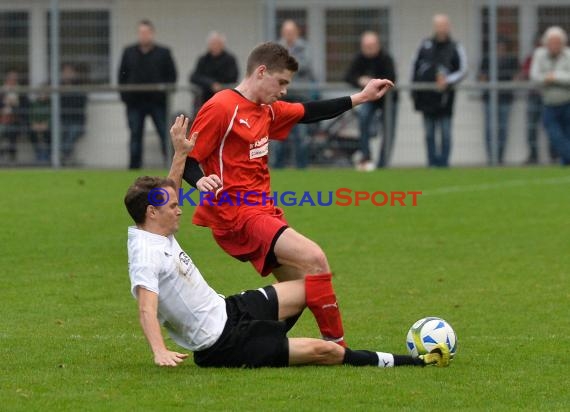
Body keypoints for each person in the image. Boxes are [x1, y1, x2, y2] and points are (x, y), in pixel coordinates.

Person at [124, 114, 450, 369]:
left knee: (314, 287)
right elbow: (145, 308)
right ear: (152, 213)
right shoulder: (146, 254)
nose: (179, 208)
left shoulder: (155, 227)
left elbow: (170, 188)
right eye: (171, 207)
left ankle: (272, 339)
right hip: (222, 343)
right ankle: (415, 361)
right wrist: (160, 351)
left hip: (229, 309)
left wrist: (181, 153)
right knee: (326, 351)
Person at [182, 42, 394, 348]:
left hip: (263, 212)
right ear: (261, 72)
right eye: (281, 82)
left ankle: (249, 340)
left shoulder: (266, 110)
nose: (283, 91)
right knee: (316, 259)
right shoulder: (221, 107)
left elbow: (309, 111)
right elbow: (188, 157)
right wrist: (200, 181)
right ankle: (338, 348)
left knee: (304, 288)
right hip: (237, 214)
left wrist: (360, 97)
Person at [118, 19, 177, 169]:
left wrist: (165, 94)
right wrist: (125, 97)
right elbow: (121, 76)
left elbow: (172, 76)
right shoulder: (129, 52)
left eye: (146, 32)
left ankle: (173, 167)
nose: (143, 35)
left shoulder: (164, 53)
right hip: (135, 102)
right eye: (141, 32)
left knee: (165, 134)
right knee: (135, 136)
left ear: (152, 33)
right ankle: (134, 168)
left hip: (157, 102)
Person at [411, 14, 468, 168]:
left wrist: (447, 80)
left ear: (448, 26)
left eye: (444, 25)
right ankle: (432, 164)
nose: (441, 28)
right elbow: (414, 67)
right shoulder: (425, 45)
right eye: (438, 25)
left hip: (445, 99)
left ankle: (444, 164)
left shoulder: (455, 46)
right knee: (429, 134)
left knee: (446, 133)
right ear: (434, 27)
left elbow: (463, 70)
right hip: (426, 98)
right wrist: (415, 91)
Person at [345, 31, 397, 171]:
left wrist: (374, 82)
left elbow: (391, 77)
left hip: (387, 100)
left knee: (388, 130)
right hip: (369, 98)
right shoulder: (359, 58)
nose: (369, 49)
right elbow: (348, 75)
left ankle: (383, 164)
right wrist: (360, 80)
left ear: (378, 45)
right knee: (363, 118)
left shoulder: (386, 58)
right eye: (366, 46)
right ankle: (366, 157)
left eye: (371, 46)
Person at [272, 19, 315, 169]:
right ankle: (277, 168)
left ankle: (302, 167)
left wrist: (284, 65)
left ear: (297, 32)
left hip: (300, 97)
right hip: (280, 96)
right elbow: (273, 67)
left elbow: (304, 65)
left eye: (291, 32)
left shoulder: (305, 48)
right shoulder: (276, 47)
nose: (288, 35)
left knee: (300, 135)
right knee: (277, 135)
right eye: (286, 32)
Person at [530, 26, 570, 166]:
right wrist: (549, 78)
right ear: (546, 43)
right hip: (549, 103)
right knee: (554, 135)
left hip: (567, 102)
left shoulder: (568, 55)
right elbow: (535, 77)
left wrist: (554, 77)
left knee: (567, 134)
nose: (554, 46)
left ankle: (566, 163)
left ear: (563, 43)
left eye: (557, 42)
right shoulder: (539, 54)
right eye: (551, 43)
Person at [478, 37, 519, 165]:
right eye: (498, 47)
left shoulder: (512, 59)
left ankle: (499, 157)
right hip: (489, 98)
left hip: (505, 98)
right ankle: (491, 158)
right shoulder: (487, 59)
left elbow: (516, 77)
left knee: (503, 128)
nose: (500, 49)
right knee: (490, 128)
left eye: (502, 47)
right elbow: (481, 77)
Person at [190, 31, 239, 111]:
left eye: (217, 44)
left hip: (224, 98)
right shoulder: (203, 59)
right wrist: (210, 83)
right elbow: (194, 77)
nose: (215, 46)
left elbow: (233, 77)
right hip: (205, 98)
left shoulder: (230, 59)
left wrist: (219, 85)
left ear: (222, 45)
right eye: (212, 44)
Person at [60, 63, 87, 166]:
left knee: (72, 134)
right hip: (63, 120)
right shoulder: (58, 86)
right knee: (57, 132)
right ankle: (66, 158)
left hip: (77, 120)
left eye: (70, 72)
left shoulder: (79, 87)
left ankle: (63, 157)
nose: (67, 74)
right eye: (65, 72)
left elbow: (80, 103)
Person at [0, 70, 28, 163]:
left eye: (14, 79)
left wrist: (14, 107)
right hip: (2, 120)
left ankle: (11, 156)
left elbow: (24, 109)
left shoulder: (21, 93)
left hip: (15, 120)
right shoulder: (2, 91)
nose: (12, 81)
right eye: (10, 79)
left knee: (12, 130)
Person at [29, 88, 51, 163]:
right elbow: (30, 116)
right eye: (41, 93)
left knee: (48, 134)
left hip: (47, 126)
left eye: (45, 93)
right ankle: (38, 152)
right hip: (36, 126)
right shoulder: (34, 104)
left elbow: (53, 116)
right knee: (32, 133)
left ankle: (48, 154)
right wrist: (34, 123)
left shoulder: (51, 103)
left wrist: (47, 124)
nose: (43, 95)